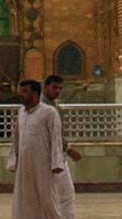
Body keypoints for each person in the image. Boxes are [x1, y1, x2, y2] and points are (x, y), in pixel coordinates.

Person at [7, 78, 67, 219]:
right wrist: (14, 161)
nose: (22, 94)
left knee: (47, 200)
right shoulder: (21, 112)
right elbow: (16, 139)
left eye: (25, 91)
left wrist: (57, 162)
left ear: (35, 93)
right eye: (21, 91)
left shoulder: (49, 113)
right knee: (25, 200)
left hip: (43, 166)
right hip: (24, 166)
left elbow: (56, 138)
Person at [42, 74, 79, 218]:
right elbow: (53, 134)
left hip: (55, 157)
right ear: (45, 87)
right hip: (53, 158)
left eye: (60, 88)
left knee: (61, 195)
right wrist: (69, 149)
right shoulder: (45, 108)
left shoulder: (51, 106)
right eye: (54, 87)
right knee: (65, 195)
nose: (57, 91)